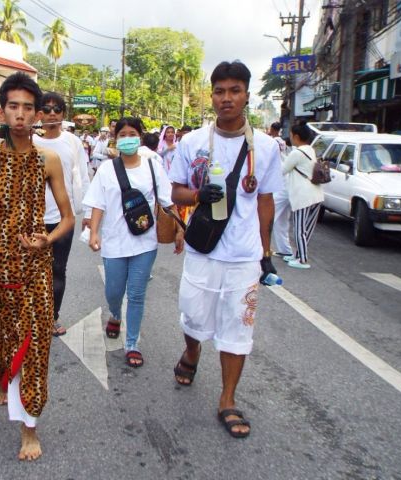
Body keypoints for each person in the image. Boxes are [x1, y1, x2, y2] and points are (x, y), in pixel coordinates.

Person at [0, 72, 74, 461]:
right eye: (14, 107)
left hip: (34, 268)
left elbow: (67, 218)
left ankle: (29, 427)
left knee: (35, 347)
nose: (21, 115)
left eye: (29, 108)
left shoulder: (49, 158)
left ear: (39, 114)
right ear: (2, 111)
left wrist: (48, 238)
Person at [168, 61, 282, 439]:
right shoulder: (192, 142)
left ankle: (228, 398)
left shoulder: (265, 147)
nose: (227, 98)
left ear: (247, 95)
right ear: (212, 95)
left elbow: (266, 201)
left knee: (238, 327)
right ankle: (192, 350)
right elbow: (176, 192)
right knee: (192, 316)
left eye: (235, 90)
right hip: (203, 250)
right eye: (220, 91)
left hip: (243, 256)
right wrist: (199, 194)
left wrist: (266, 253)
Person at [84, 117, 184, 367]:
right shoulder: (107, 169)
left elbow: (168, 201)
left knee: (137, 294)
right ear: (116, 138)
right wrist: (94, 231)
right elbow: (98, 202)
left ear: (140, 136)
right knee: (114, 291)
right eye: (123, 134)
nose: (127, 138)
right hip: (114, 242)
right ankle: (115, 314)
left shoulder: (153, 166)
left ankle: (132, 344)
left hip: (144, 242)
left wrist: (180, 228)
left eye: (132, 133)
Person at [33, 92, 91, 336]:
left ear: (63, 114)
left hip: (62, 218)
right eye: (46, 109)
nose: (52, 114)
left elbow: (83, 176)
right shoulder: (31, 142)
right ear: (39, 114)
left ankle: (52, 317)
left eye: (57, 109)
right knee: (32, 271)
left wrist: (87, 211)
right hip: (32, 218)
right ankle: (32, 315)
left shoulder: (72, 142)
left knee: (58, 269)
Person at [281, 122, 323, 269]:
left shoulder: (296, 153)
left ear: (297, 136)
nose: (290, 137)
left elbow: (283, 169)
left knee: (299, 229)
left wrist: (280, 154)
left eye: (291, 135)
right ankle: (298, 255)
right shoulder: (310, 150)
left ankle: (302, 259)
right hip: (316, 194)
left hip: (303, 196)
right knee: (307, 229)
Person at [269, 121, 294, 258]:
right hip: (285, 184)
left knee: (268, 217)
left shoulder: (273, 142)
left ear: (272, 129)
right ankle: (285, 250)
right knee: (282, 221)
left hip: (281, 185)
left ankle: (261, 248)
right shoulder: (282, 142)